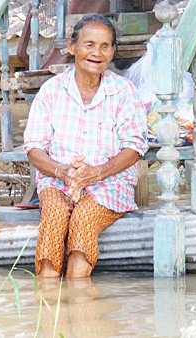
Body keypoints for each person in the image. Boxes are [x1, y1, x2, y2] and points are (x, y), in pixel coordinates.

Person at [23, 14, 149, 279]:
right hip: (57, 181)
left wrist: (96, 172)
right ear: (72, 47)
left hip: (109, 183)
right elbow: (34, 148)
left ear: (113, 51)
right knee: (54, 221)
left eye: (105, 46)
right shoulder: (51, 91)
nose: (97, 53)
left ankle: (78, 308)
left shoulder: (124, 91)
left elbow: (135, 147)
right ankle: (48, 311)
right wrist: (61, 171)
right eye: (89, 44)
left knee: (83, 222)